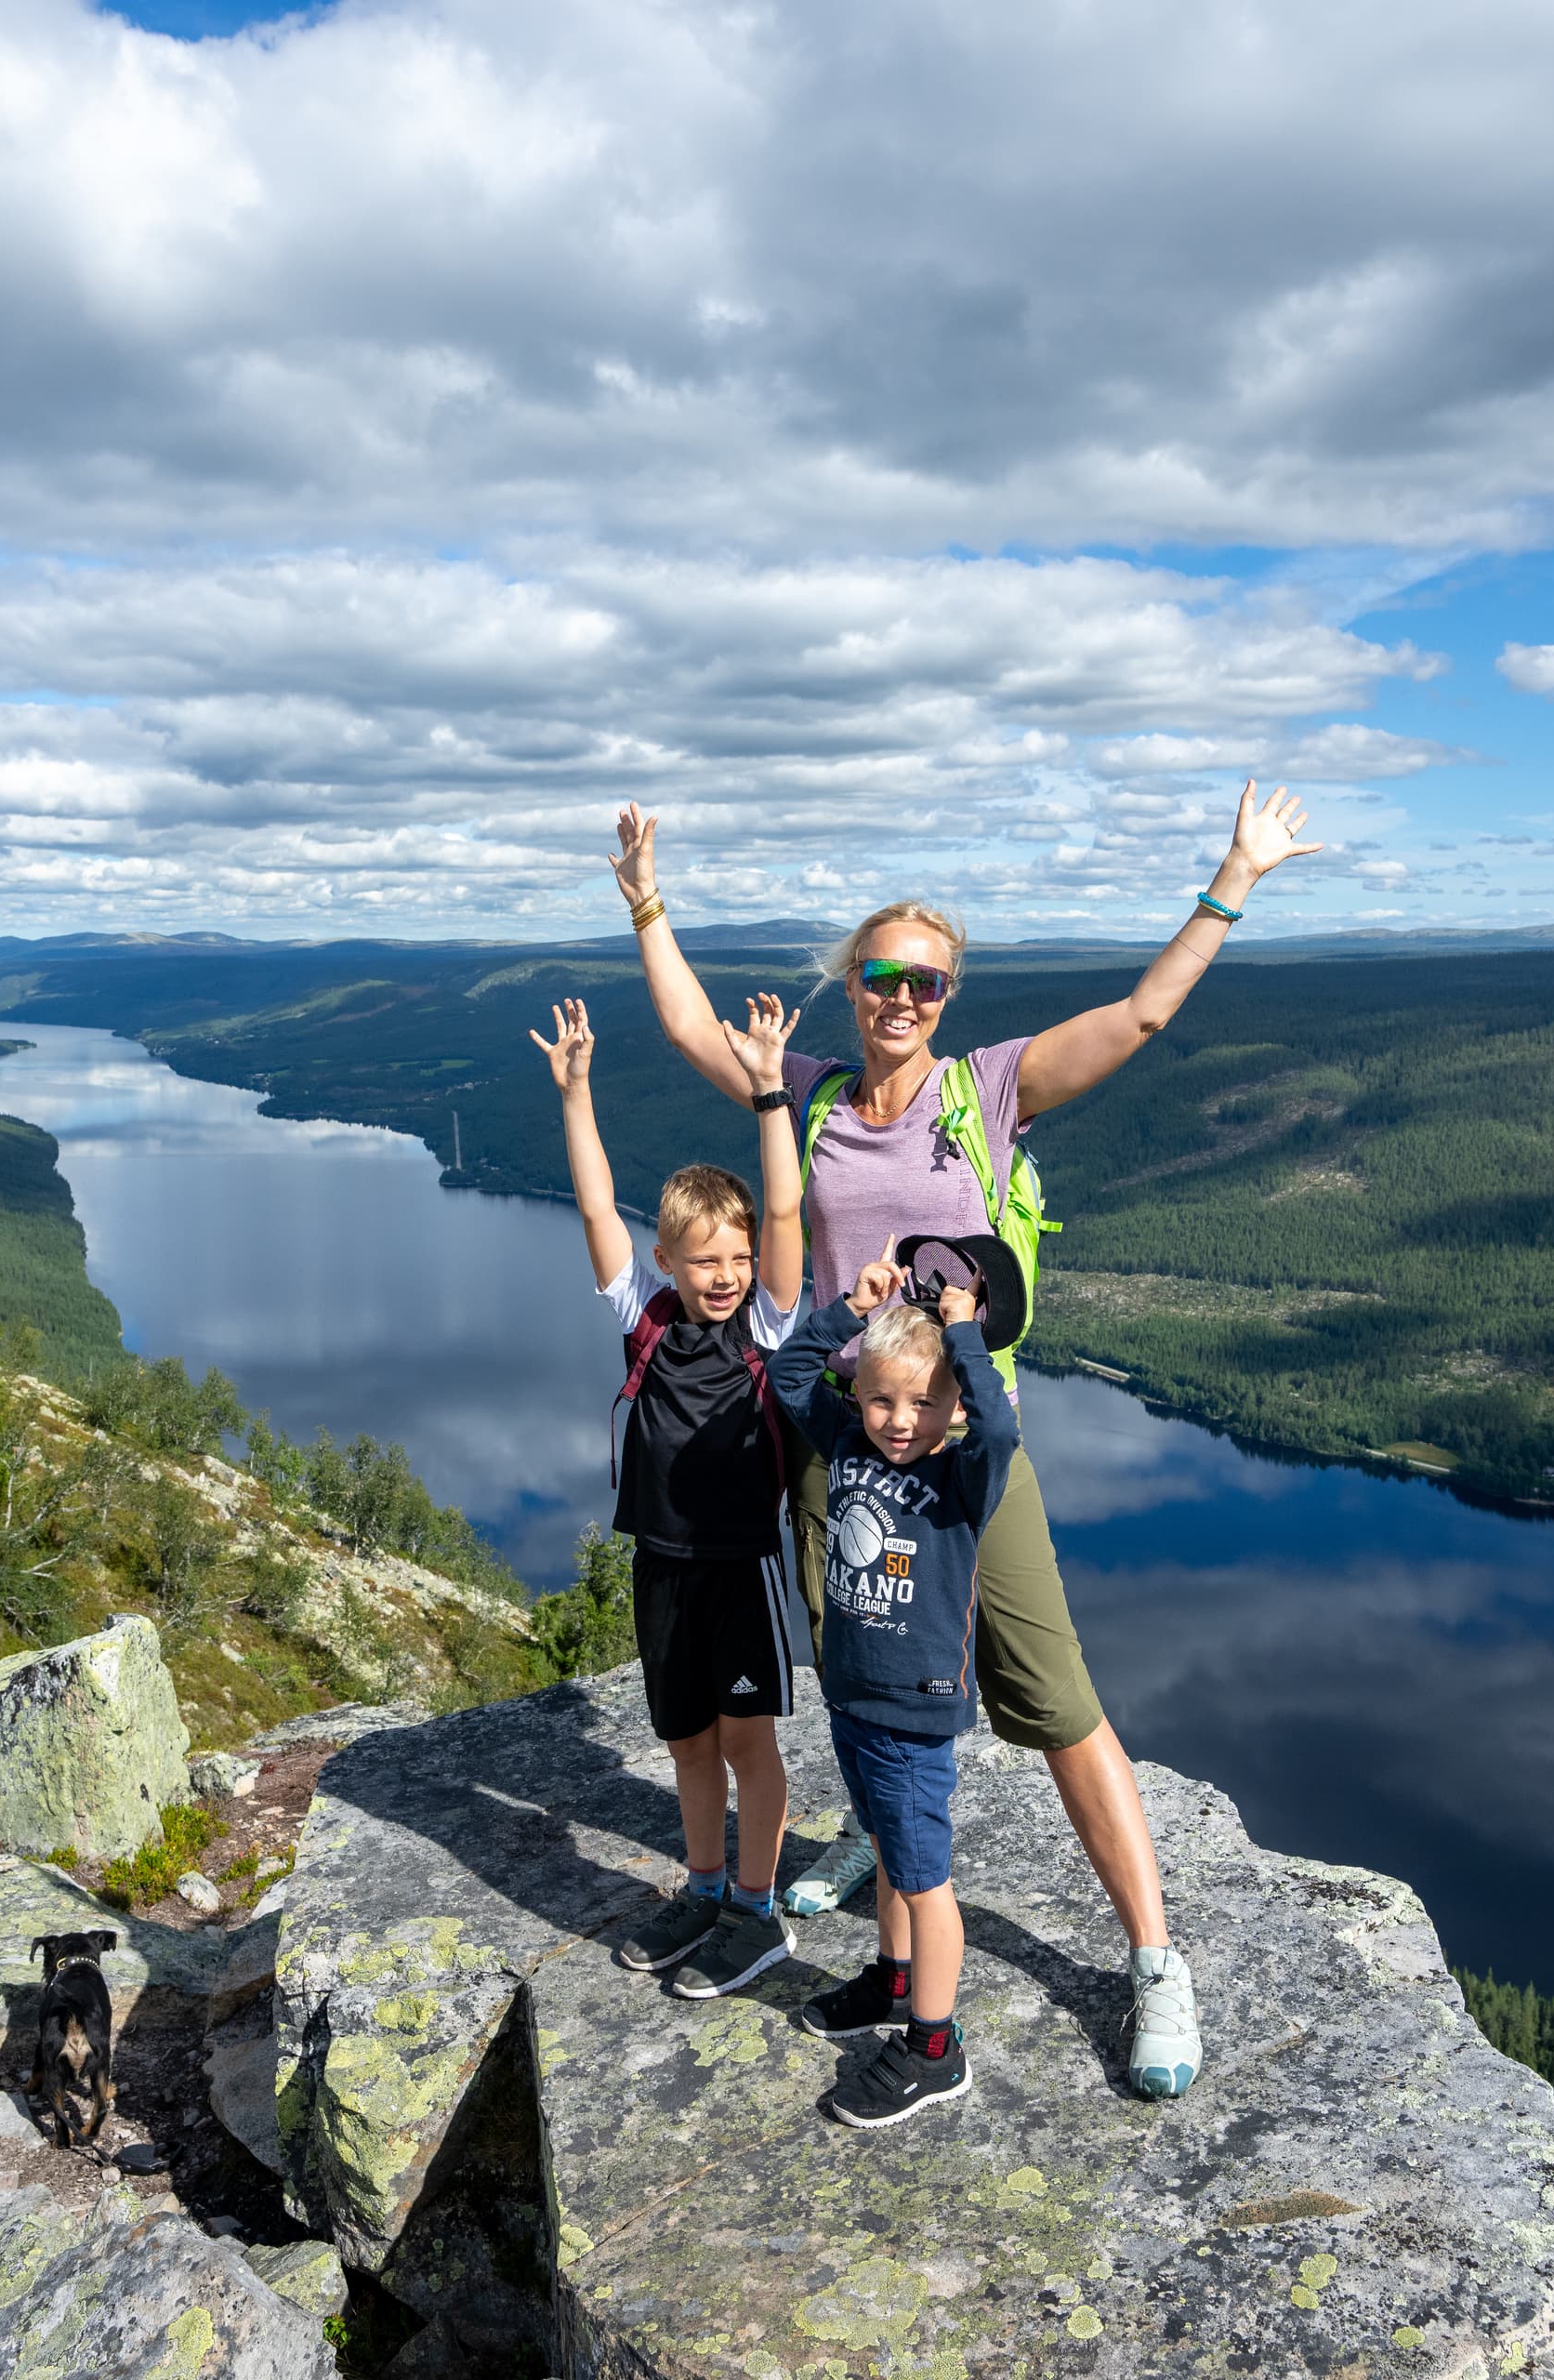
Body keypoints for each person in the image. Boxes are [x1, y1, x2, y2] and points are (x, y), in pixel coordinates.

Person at [610, 778, 1334, 2099]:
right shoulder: (810, 1096)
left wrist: (1234, 879)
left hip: (963, 1455)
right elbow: (687, 1029)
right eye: (883, 976)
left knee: (1051, 1696)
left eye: (927, 982)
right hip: (840, 1444)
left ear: (949, 998)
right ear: (852, 985)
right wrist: (648, 903)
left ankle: (1155, 1959)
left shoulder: (988, 1089)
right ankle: (893, 1925)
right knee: (869, 1686)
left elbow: (1141, 1015)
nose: (902, 998)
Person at [533, 990, 811, 2000]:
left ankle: (757, 1910)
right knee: (688, 1741)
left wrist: (771, 1092)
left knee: (748, 1743)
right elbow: (596, 1207)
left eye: (738, 1258)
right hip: (660, 1565)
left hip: (738, 1570)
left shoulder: (765, 1329)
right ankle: (702, 1889)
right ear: (668, 1262)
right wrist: (576, 1093)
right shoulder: (643, 1316)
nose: (726, 1274)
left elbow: (785, 1210)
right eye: (706, 1260)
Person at [770, 1257, 1016, 2127]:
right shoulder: (846, 1442)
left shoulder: (961, 1477)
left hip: (913, 1713)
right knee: (886, 1855)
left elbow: (1000, 1429)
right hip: (854, 1700)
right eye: (881, 1400)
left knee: (924, 1881)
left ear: (953, 1405)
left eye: (923, 1403)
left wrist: (963, 1334)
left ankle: (934, 2048)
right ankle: (894, 1979)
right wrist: (852, 1308)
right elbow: (788, 1372)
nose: (900, 1421)